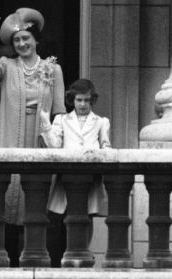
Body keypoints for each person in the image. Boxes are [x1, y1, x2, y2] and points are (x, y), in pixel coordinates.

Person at [0, 8, 66, 265]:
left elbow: (60, 111)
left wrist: (55, 140)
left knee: (36, 203)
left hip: (40, 143)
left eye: (26, 38)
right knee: (8, 201)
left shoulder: (53, 69)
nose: (22, 44)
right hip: (10, 141)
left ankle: (36, 261)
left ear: (36, 40)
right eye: (17, 40)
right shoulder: (7, 66)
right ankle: (8, 261)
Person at [40, 78, 111, 266]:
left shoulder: (101, 122)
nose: (82, 104)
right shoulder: (62, 120)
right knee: (59, 221)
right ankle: (61, 261)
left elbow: (106, 147)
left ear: (92, 100)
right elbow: (54, 146)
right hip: (66, 179)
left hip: (89, 179)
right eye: (79, 100)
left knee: (85, 219)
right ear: (73, 100)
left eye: (87, 100)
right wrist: (45, 123)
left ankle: (82, 256)